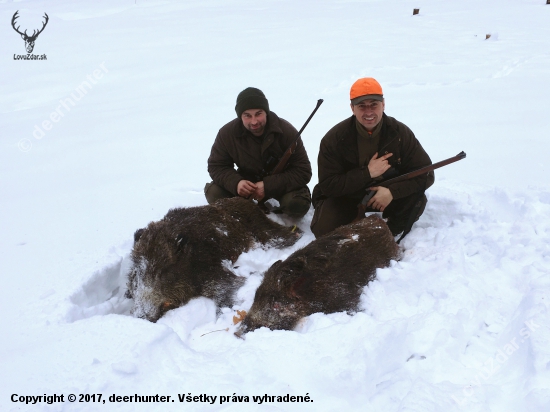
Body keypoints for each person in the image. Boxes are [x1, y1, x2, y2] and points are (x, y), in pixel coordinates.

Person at [310, 77, 434, 238]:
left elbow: (426, 174)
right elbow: (328, 185)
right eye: (362, 106)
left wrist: (391, 192)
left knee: (417, 201)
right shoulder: (334, 138)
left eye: (374, 105)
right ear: (352, 108)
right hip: (348, 196)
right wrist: (367, 173)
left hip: (385, 196)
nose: (368, 112)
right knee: (323, 229)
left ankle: (388, 234)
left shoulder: (400, 133)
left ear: (383, 105)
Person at [205, 87, 312, 218]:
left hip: (281, 183)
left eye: (258, 114)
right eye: (247, 116)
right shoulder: (227, 134)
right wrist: (237, 183)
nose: (254, 121)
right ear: (240, 116)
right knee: (214, 193)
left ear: (266, 112)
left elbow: (303, 171)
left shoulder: (287, 132)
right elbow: (216, 166)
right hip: (246, 183)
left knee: (297, 204)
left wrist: (268, 186)